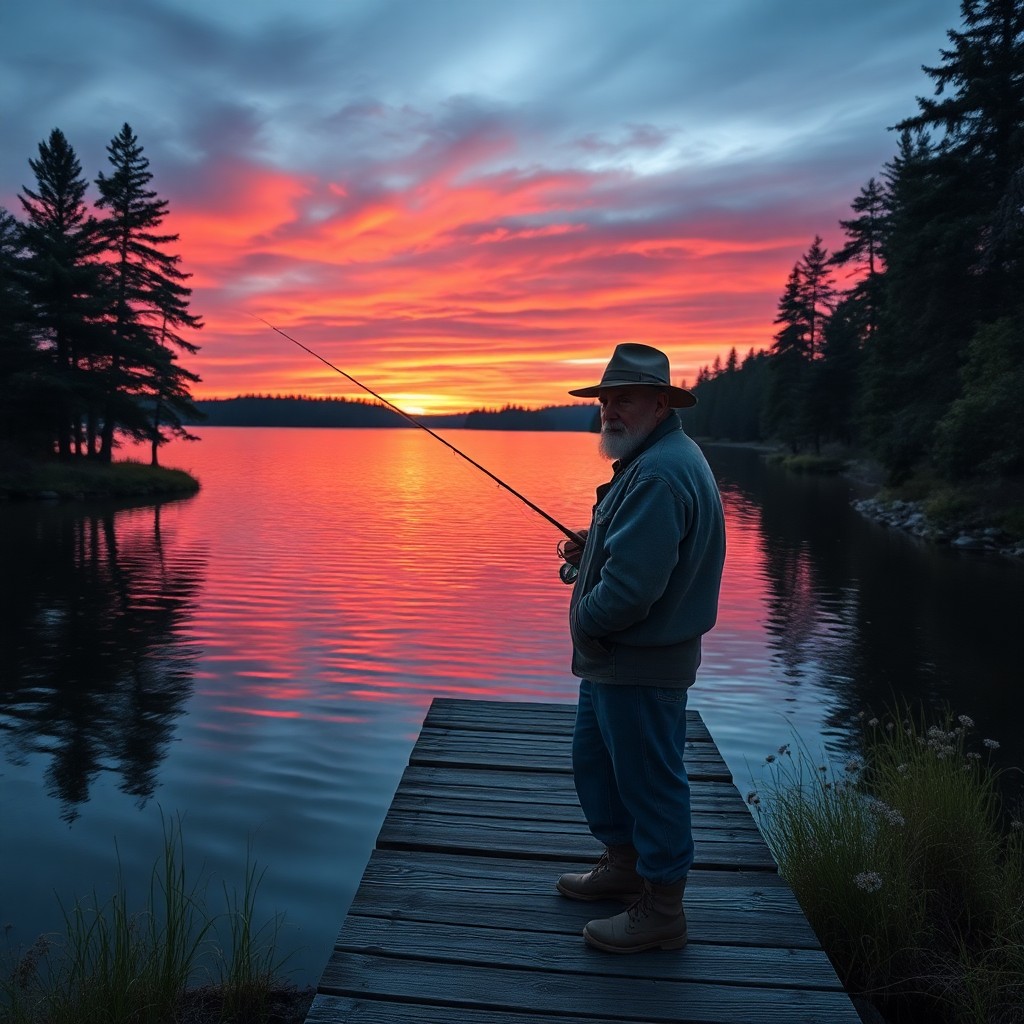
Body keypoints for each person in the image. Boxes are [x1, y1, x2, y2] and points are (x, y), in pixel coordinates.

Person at [556, 342, 726, 953]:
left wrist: (588, 622)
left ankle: (662, 909)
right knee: (600, 768)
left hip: (638, 661)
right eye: (606, 399)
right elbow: (637, 554)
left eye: (623, 398)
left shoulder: (657, 472)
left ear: (660, 402)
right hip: (616, 661)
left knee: (651, 780)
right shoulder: (655, 458)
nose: (610, 410)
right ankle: (623, 864)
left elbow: (631, 590)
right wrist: (591, 549)